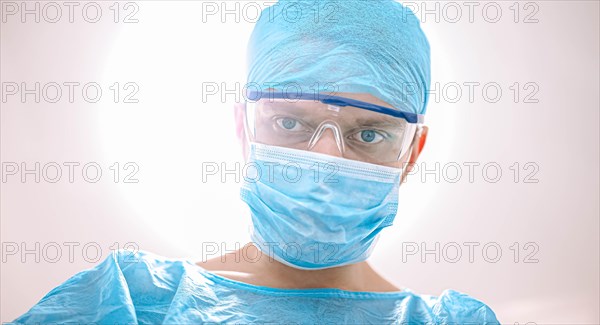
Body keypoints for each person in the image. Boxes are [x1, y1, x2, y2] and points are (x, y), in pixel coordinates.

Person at [12, 0, 501, 324]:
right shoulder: (134, 302)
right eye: (290, 124)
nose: (325, 159)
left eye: (368, 134)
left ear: (411, 154)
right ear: (245, 130)